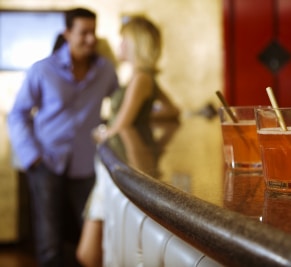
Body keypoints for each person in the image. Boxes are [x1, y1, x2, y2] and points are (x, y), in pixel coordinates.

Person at [7, 7, 119, 267]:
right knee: (49, 242)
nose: (91, 39)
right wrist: (32, 157)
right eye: (83, 33)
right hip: (46, 162)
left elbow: (121, 103)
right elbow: (18, 115)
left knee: (91, 239)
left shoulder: (105, 71)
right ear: (67, 33)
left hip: (86, 165)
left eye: (93, 32)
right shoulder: (42, 70)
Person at [75, 15, 180, 267]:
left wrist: (103, 132)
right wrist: (144, 119)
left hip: (117, 167)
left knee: (88, 254)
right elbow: (172, 110)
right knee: (93, 251)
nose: (119, 45)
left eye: (123, 40)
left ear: (135, 43)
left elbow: (120, 124)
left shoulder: (141, 78)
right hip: (115, 164)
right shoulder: (143, 77)